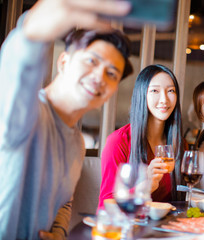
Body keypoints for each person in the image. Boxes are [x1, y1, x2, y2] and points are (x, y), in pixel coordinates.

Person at [0, 0, 133, 239]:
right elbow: (17, 73)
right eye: (92, 61)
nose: (99, 76)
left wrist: (59, 232)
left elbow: (63, 201)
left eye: (111, 73)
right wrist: (32, 33)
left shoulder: (77, 143)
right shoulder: (28, 113)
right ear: (63, 62)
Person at [98, 64, 185, 209]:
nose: (164, 99)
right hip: (132, 226)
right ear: (142, 94)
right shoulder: (119, 141)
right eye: (155, 91)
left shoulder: (178, 143)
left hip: (167, 227)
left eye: (170, 91)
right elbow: (105, 205)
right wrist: (143, 187)